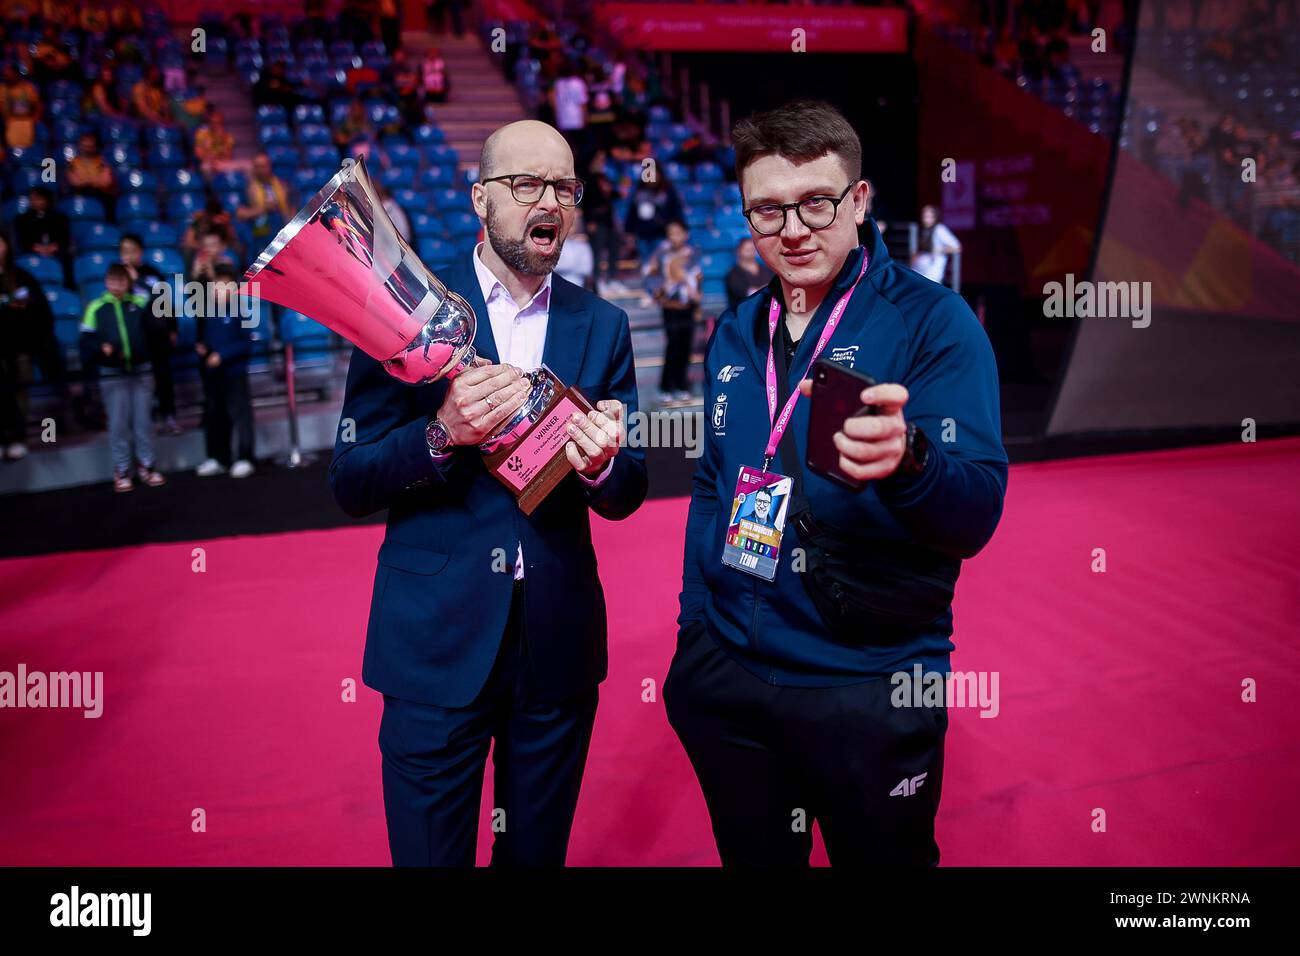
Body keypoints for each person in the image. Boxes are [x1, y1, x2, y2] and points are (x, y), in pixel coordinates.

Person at [666, 100, 1007, 867]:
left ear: (858, 199)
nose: (792, 230)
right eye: (768, 210)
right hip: (729, 675)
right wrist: (696, 626)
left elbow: (976, 512)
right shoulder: (735, 329)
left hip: (870, 684)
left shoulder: (935, 324)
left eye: (816, 202)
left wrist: (911, 461)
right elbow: (714, 483)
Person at [330, 119, 646, 867]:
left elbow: (628, 489)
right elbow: (350, 478)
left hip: (556, 649)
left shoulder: (602, 324)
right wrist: (440, 433)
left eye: (564, 188)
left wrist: (602, 463)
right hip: (435, 649)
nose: (551, 203)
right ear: (480, 199)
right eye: (526, 184)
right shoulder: (405, 311)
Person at [79, 264, 167, 491]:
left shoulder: (140, 302)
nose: (117, 286)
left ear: (128, 282)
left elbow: (159, 323)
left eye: (122, 281)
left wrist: (142, 289)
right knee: (118, 424)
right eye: (113, 281)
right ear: (106, 283)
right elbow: (85, 341)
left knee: (143, 423)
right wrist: (100, 348)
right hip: (112, 374)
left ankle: (147, 465)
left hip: (142, 371)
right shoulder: (95, 308)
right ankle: (122, 469)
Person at [0, 235, 65, 459]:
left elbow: (40, 311)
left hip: (18, 348)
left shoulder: (21, 277)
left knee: (19, 392)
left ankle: (17, 437)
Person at [194, 263, 255, 479]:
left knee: (240, 416)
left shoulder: (242, 309)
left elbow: (246, 343)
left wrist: (223, 355)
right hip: (213, 375)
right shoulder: (208, 312)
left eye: (224, 284)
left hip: (234, 373)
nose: (219, 289)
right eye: (216, 285)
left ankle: (245, 458)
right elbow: (207, 340)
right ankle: (218, 459)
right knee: (214, 416)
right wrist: (205, 350)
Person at [119, 233, 177, 434]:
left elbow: (164, 301)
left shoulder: (152, 273)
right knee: (139, 380)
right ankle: (144, 421)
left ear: (140, 252)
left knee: (163, 376)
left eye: (131, 251)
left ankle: (169, 416)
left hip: (157, 333)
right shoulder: (118, 276)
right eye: (124, 252)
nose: (128, 256)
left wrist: (172, 328)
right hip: (134, 337)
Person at [642, 220, 701, 403]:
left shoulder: (693, 254)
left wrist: (697, 300)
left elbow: (698, 278)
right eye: (671, 233)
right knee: (673, 346)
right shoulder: (662, 255)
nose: (674, 237)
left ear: (686, 235)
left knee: (686, 347)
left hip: (688, 306)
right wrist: (659, 293)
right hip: (670, 307)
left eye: (678, 233)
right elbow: (650, 275)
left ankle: (682, 385)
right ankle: (666, 386)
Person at [237, 153, 293, 245]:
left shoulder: (282, 185)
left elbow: (291, 208)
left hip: (281, 230)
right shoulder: (248, 188)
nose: (260, 170)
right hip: (259, 233)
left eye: (263, 166)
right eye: (257, 166)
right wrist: (263, 208)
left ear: (269, 166)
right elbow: (240, 213)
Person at [66, 131, 117, 222]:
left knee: (110, 201)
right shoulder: (73, 163)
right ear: (80, 145)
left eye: (90, 146)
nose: (87, 148)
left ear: (95, 147)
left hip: (99, 194)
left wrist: (85, 178)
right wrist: (95, 179)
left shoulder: (102, 162)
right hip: (79, 194)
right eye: (85, 145)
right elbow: (75, 182)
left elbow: (106, 181)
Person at [910, 205, 961, 285]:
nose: (924, 219)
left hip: (932, 271)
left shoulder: (939, 229)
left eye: (927, 216)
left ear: (934, 217)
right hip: (920, 269)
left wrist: (939, 250)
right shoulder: (925, 230)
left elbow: (957, 247)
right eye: (923, 215)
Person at [724, 236, 772, 311]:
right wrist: (768, 289)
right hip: (743, 315)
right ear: (738, 251)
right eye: (747, 249)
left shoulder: (766, 270)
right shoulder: (733, 274)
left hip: (766, 313)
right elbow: (749, 293)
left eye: (752, 248)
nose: (750, 251)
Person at [1, 63, 41, 149]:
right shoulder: (2, 88)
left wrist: (35, 119)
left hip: (26, 121)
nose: (6, 76)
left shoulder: (28, 88)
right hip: (11, 122)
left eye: (8, 74)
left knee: (26, 148)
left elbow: (37, 105)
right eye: (5, 74)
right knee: (13, 149)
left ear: (15, 74)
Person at [556, 210, 594, 289]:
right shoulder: (555, 244)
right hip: (556, 284)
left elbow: (587, 269)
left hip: (577, 284)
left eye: (573, 225)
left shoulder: (582, 245)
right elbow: (554, 267)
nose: (570, 228)